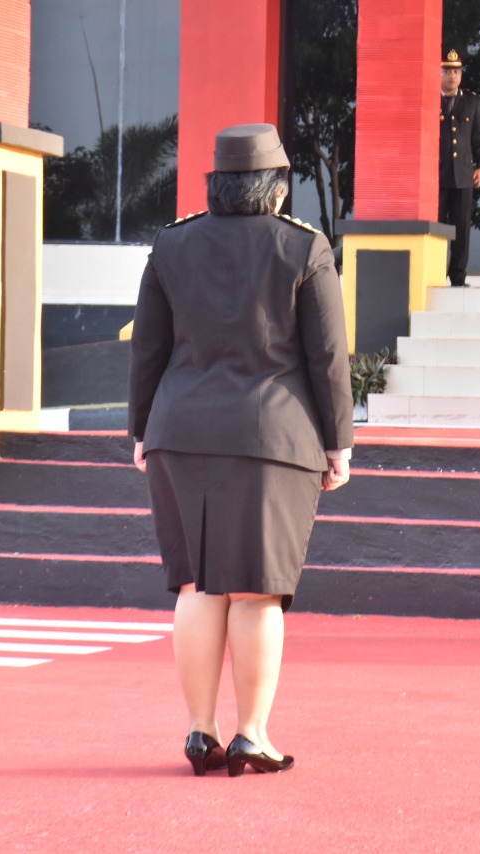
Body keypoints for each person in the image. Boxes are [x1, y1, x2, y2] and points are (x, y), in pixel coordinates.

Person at [128, 123, 354, 776]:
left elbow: (148, 350)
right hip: (272, 439)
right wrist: (338, 442)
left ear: (216, 185)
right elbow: (327, 358)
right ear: (280, 188)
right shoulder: (302, 249)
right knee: (257, 592)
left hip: (180, 431)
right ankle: (252, 734)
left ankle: (201, 733)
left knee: (197, 584)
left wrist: (141, 430)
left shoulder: (171, 246)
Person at [439, 48, 480, 287]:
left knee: (461, 227)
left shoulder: (471, 100)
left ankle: (457, 276)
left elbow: (478, 137)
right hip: (436, 176)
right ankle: (436, 273)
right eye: (447, 71)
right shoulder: (430, 98)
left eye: (456, 71)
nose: (452, 76)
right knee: (437, 229)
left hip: (463, 175)